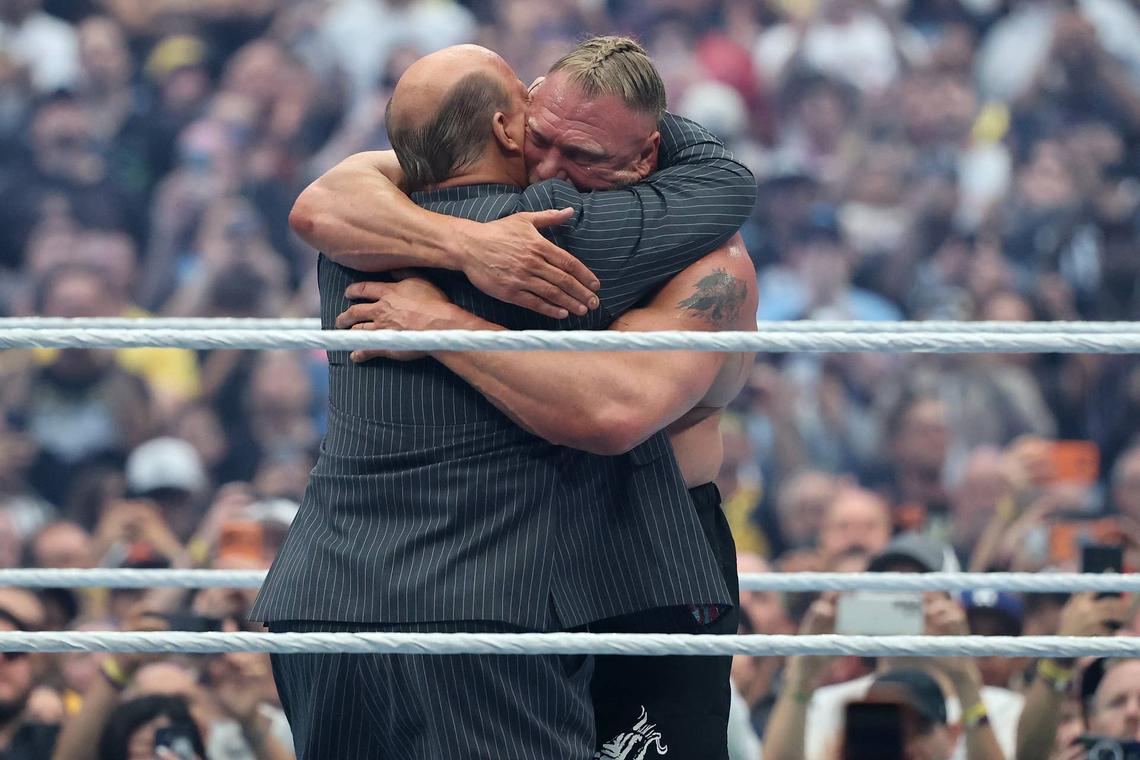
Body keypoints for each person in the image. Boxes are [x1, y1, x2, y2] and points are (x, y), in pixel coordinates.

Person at [251, 39, 756, 760]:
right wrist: (472, 250)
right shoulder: (563, 229)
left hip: (336, 592)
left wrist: (444, 320)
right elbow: (727, 184)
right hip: (494, 589)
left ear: (643, 158)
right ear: (511, 121)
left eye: (581, 153)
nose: (550, 167)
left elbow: (321, 204)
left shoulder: (357, 242)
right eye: (539, 136)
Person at [763, 534, 1018, 760]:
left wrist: (965, 681)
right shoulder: (828, 704)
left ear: (953, 606)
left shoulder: (1003, 708)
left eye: (915, 588)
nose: (899, 599)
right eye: (886, 588)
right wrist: (803, 673)